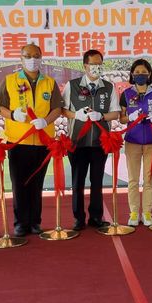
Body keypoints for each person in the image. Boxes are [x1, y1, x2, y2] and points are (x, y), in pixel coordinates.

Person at [0, 44, 63, 237]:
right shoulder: (10, 80)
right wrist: (13, 115)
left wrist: (46, 121)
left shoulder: (49, 82)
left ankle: (35, 222)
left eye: (36, 56)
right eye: (27, 56)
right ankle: (20, 223)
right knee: (19, 184)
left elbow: (56, 108)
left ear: (41, 57)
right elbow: (0, 106)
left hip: (43, 141)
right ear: (21, 58)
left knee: (37, 184)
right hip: (18, 141)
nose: (32, 59)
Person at [62, 49, 120, 230]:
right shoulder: (72, 86)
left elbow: (116, 113)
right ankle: (78, 218)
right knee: (77, 182)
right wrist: (76, 115)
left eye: (99, 64)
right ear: (85, 65)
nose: (96, 68)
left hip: (99, 143)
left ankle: (96, 217)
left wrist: (101, 116)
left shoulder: (109, 87)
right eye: (93, 64)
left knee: (97, 181)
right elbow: (63, 110)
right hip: (77, 143)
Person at [120, 59, 152, 227]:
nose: (140, 75)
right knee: (132, 179)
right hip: (132, 140)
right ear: (132, 74)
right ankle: (133, 212)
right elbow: (122, 117)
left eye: (143, 72)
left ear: (149, 74)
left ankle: (147, 212)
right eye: (137, 72)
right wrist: (130, 118)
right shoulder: (126, 94)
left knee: (149, 179)